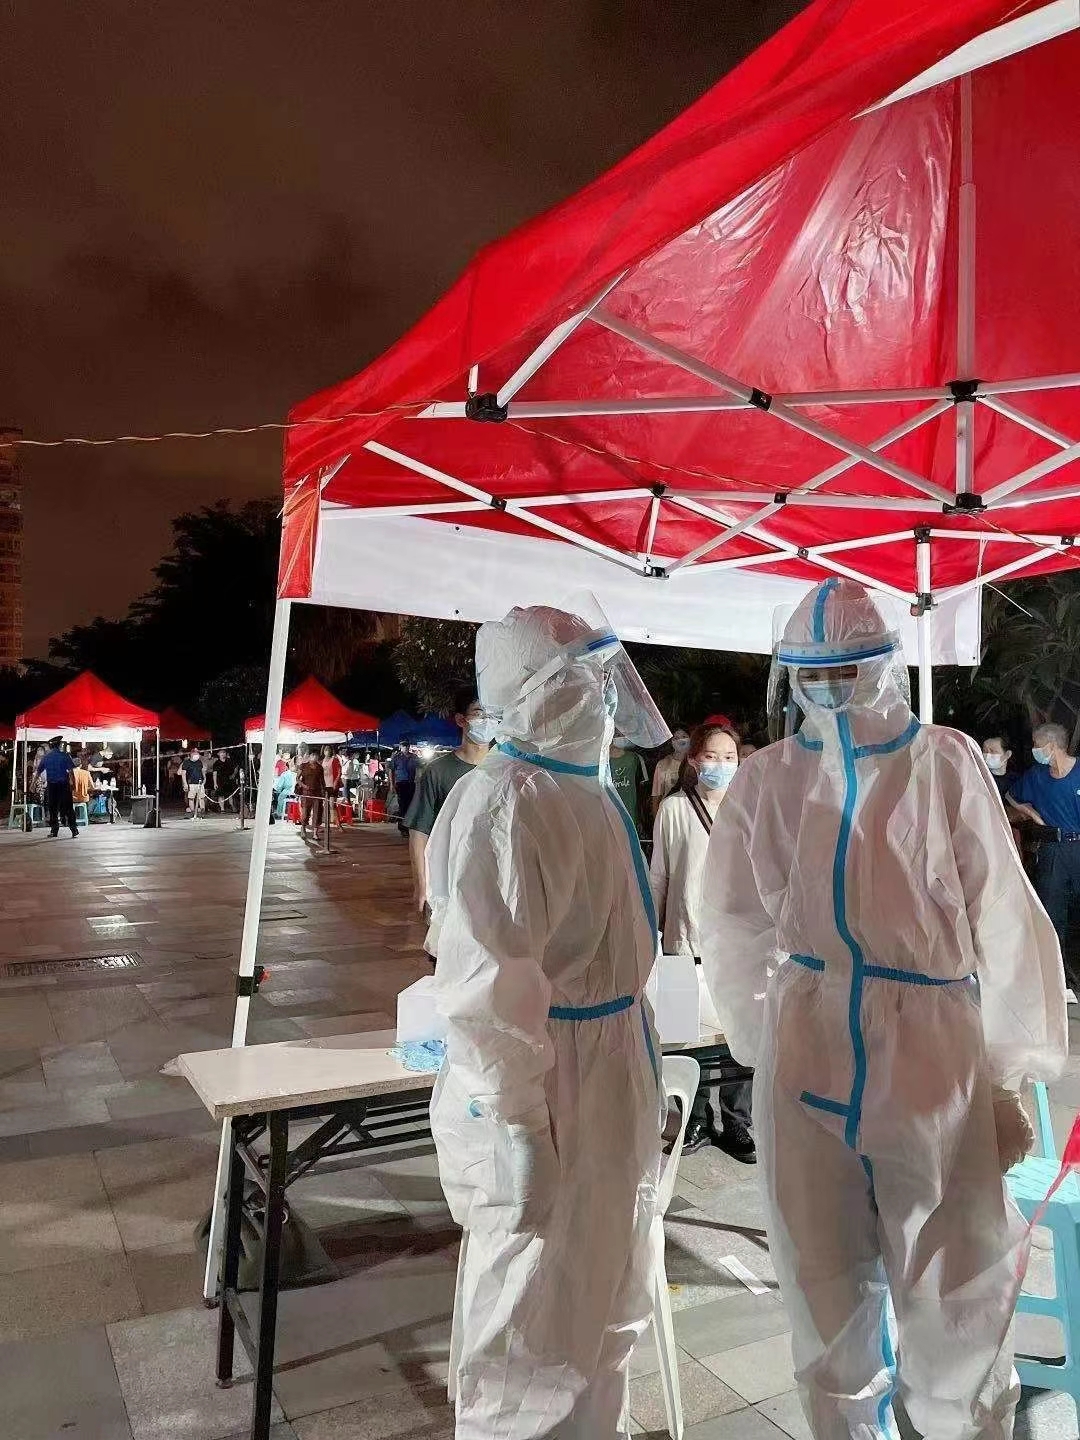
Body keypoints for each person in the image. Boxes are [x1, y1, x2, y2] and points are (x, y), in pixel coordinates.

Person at [700, 577, 1066, 1440]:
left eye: (847, 672)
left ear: (881, 670)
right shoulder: (766, 780)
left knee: (955, 1294)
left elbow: (1003, 917)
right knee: (823, 1289)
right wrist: (759, 1036)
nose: (832, 692)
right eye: (817, 674)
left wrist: (1006, 1074)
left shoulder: (942, 760)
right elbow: (731, 923)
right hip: (809, 1045)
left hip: (930, 1050)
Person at [426, 601, 668, 1439]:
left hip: (609, 1065)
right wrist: (521, 1124)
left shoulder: (586, 793)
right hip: (549, 1080)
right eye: (583, 681)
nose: (602, 697)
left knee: (608, 1294)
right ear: (532, 691)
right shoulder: (504, 801)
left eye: (604, 679)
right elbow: (485, 988)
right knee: (527, 1314)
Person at [650, 722, 754, 1160]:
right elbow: (660, 875)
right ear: (693, 760)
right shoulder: (674, 809)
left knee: (739, 1035)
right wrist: (652, 934)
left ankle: (736, 1121)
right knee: (681, 1036)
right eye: (712, 756)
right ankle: (693, 1118)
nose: (721, 765)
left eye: (729, 758)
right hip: (684, 940)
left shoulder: (748, 809)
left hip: (737, 945)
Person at [405, 689, 495, 920]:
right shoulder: (437, 771)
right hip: (447, 882)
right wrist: (422, 885)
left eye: (493, 715)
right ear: (461, 720)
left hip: (493, 883)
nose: (488, 721)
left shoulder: (503, 769)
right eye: (480, 713)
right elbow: (419, 831)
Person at [1007, 723, 1080, 961]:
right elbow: (1011, 796)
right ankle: (1057, 970)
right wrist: (1031, 813)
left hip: (1077, 847)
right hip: (1052, 850)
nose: (1034, 750)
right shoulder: (1036, 776)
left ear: (1051, 745)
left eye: (1037, 745)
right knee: (1051, 913)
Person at [608, 733, 649, 839]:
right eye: (616, 733)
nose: (619, 736)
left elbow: (643, 790)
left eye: (621, 733)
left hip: (632, 816)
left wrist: (642, 819)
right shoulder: (600, 762)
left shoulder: (635, 759)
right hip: (608, 816)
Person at [37, 737, 78, 838]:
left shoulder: (46, 757)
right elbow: (71, 771)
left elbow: (38, 772)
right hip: (64, 785)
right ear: (60, 745)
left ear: (50, 746)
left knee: (53, 809)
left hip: (52, 786)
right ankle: (74, 830)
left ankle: (54, 831)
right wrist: (74, 784)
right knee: (69, 807)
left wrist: (32, 784)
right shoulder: (65, 756)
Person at [650, 724, 691, 819]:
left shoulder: (696, 762)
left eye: (684, 736)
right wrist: (657, 821)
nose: (680, 740)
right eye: (676, 738)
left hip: (691, 813)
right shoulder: (663, 764)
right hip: (670, 814)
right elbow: (656, 796)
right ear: (671, 742)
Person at [297, 745, 326, 839]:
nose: (314, 757)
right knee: (305, 812)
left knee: (317, 812)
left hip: (317, 792)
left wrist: (324, 791)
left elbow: (322, 781)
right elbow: (297, 779)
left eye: (316, 755)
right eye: (312, 755)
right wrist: (303, 785)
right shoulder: (303, 766)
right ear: (309, 756)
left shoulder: (320, 767)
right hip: (306, 793)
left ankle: (315, 833)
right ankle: (303, 828)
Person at [390, 742, 418, 834]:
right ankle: (402, 828)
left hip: (411, 783)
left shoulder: (414, 757)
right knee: (402, 805)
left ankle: (409, 826)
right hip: (401, 783)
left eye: (407, 746)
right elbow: (391, 770)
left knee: (410, 805)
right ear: (400, 747)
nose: (406, 748)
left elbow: (420, 767)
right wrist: (392, 784)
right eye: (404, 746)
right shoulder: (396, 757)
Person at [982, 734, 1015, 801]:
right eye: (985, 751)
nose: (987, 755)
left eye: (993, 751)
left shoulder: (1015, 780)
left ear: (1007, 754)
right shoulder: (980, 778)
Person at [209, 748, 238, 812]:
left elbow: (236, 767)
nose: (223, 754)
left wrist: (233, 775)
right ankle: (222, 809)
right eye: (221, 752)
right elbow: (214, 774)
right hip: (220, 781)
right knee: (221, 795)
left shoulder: (229, 761)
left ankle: (232, 806)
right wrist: (215, 783)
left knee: (231, 794)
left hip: (229, 780)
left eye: (224, 752)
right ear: (218, 754)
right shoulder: (216, 763)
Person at [180, 748, 206, 817]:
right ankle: (193, 812)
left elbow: (202, 771)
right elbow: (183, 774)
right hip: (191, 783)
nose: (197, 755)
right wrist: (185, 784)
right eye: (196, 753)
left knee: (201, 798)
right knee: (191, 798)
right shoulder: (186, 762)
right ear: (191, 754)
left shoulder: (199, 762)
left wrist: (204, 779)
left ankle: (202, 813)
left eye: (198, 754)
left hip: (200, 783)